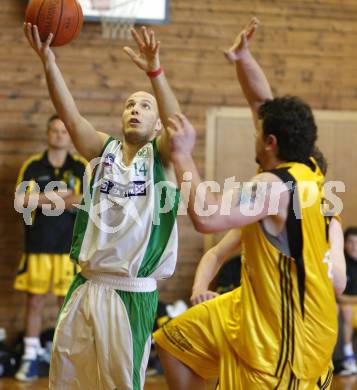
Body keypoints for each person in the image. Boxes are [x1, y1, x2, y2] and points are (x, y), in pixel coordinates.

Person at [154, 18, 346, 389]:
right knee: (174, 342)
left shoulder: (275, 188)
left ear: (270, 143)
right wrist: (243, 60)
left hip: (287, 343)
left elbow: (207, 217)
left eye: (258, 132)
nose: (253, 133)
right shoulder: (307, 166)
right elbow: (263, 104)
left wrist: (181, 155)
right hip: (260, 307)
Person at [24, 22, 181, 390]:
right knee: (67, 382)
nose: (135, 109)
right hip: (85, 285)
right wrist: (49, 62)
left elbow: (178, 125)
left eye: (145, 106)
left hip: (131, 292)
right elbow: (70, 116)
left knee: (120, 384)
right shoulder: (102, 150)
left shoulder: (164, 159)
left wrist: (155, 72)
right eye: (129, 104)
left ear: (157, 124)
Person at [13, 114, 87, 381]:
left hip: (69, 249)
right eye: (54, 131)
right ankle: (29, 358)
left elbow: (83, 200)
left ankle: (61, 357)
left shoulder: (80, 166)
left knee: (66, 307)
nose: (58, 135)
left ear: (70, 136)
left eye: (63, 131)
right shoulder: (33, 165)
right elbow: (20, 201)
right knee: (34, 302)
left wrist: (40, 199)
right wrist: (58, 198)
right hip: (39, 245)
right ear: (48, 134)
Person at [336, 227, 357, 375]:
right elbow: (339, 297)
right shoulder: (340, 263)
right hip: (347, 308)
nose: (354, 246)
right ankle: (348, 356)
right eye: (350, 242)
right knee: (346, 310)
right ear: (344, 244)